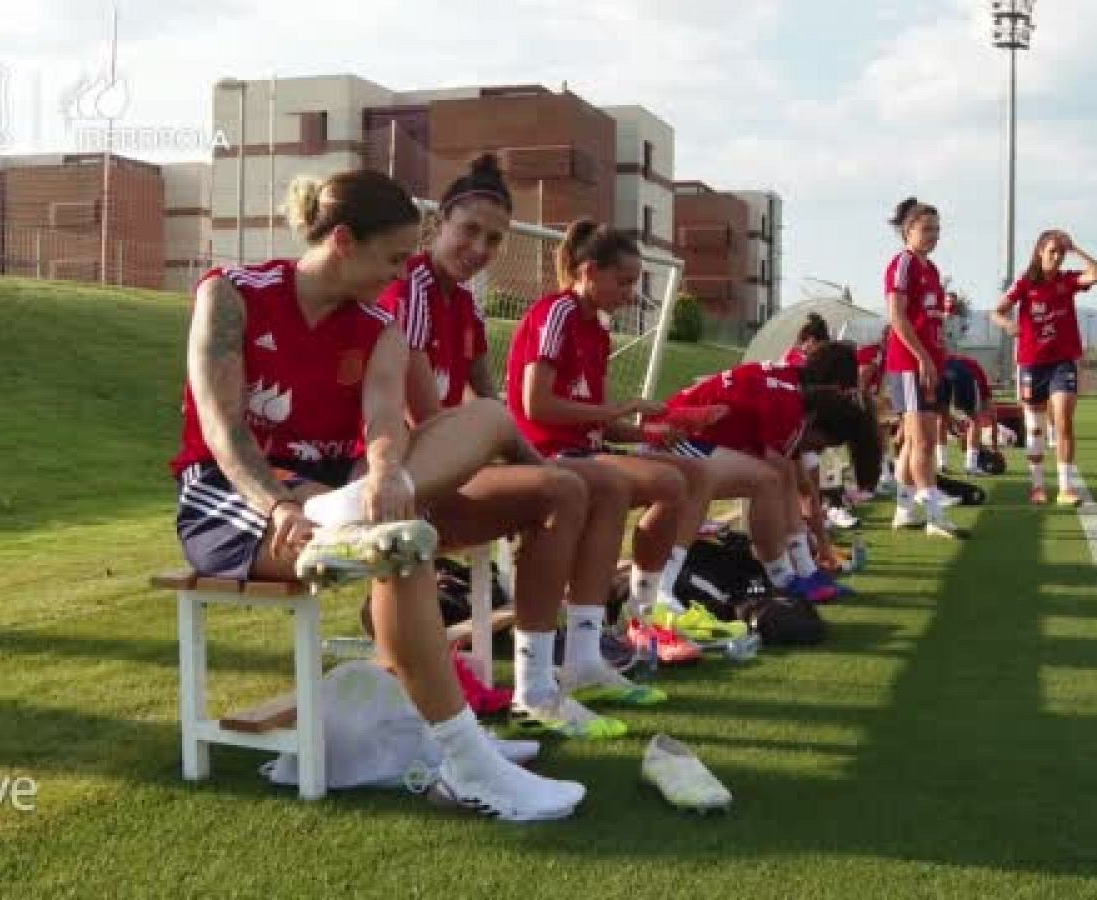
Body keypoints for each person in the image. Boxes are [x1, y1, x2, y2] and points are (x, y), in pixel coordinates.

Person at [170, 169, 583, 820]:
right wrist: (279, 504)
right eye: (392, 258)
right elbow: (224, 432)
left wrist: (389, 473)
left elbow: (385, 416)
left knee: (487, 423)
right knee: (400, 546)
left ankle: (351, 517)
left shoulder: (377, 325)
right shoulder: (232, 295)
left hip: (338, 488)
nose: (399, 275)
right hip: (236, 497)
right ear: (341, 240)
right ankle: (470, 763)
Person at [378, 155, 656, 742]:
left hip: (459, 465)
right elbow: (429, 421)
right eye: (469, 231)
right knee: (563, 487)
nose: (480, 247)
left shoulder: (465, 302)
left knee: (602, 485)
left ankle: (580, 658)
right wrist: (516, 453)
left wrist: (510, 447)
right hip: (414, 477)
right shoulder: (415, 290)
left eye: (494, 239)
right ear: (439, 224)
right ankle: (535, 688)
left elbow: (489, 396)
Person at [506, 218, 728, 661]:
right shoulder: (558, 312)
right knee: (667, 483)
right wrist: (620, 411)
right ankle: (624, 617)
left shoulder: (598, 330)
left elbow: (595, 419)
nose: (630, 293)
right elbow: (537, 406)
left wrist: (649, 433)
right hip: (544, 453)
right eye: (623, 281)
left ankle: (648, 606)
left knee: (695, 473)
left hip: (583, 449)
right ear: (588, 271)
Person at [657, 349, 886, 596]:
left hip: (684, 434)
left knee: (774, 478)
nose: (816, 451)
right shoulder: (787, 404)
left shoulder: (792, 389)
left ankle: (797, 574)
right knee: (767, 481)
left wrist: (812, 562)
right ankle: (781, 578)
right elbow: (791, 486)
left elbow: (799, 486)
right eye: (820, 445)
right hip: (669, 436)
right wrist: (809, 556)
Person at [992, 229, 1097, 506]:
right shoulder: (1025, 283)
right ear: (1040, 252)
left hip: (1062, 362)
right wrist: (1008, 324)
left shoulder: (1068, 280)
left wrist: (1076, 248)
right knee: (1035, 428)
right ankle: (1038, 485)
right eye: (1052, 251)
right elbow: (996, 312)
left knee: (1065, 419)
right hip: (1032, 364)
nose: (1057, 257)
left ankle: (1066, 487)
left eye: (1061, 252)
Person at [882, 197, 962, 537]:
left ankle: (903, 509)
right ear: (907, 231)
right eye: (926, 229)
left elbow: (923, 317)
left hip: (928, 364)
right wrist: (923, 358)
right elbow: (897, 316)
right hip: (909, 366)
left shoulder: (931, 270)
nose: (934, 235)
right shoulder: (903, 264)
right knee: (924, 442)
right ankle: (933, 515)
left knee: (918, 442)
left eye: (937, 229)